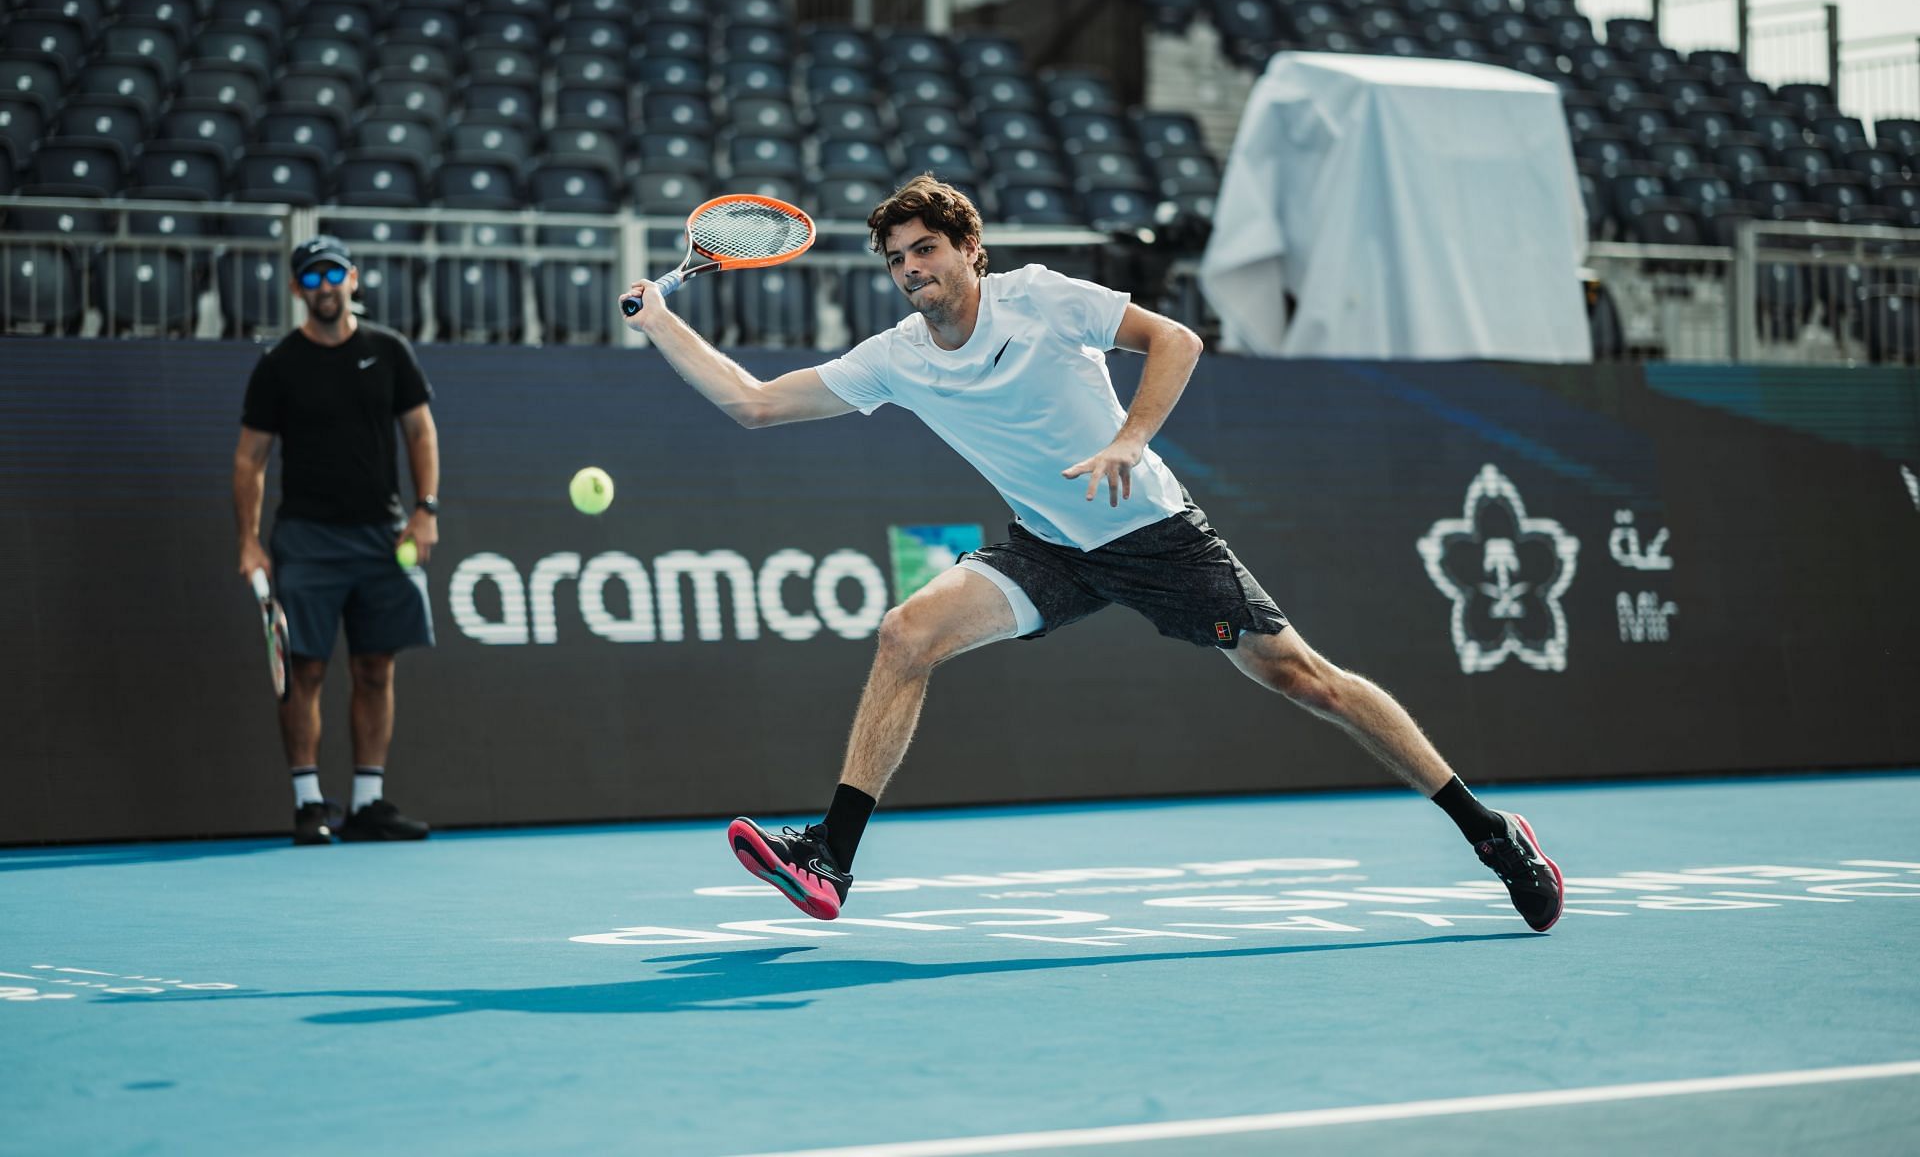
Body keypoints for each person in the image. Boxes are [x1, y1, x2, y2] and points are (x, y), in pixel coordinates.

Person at [620, 175, 1564, 931]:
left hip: (1150, 533)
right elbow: (755, 401)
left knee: (1304, 679)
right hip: (1048, 546)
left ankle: (1490, 833)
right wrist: (661, 320)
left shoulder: (1040, 300)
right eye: (898, 258)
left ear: (969, 251)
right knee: (907, 633)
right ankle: (831, 852)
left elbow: (1176, 339)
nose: (914, 270)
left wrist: (1130, 441)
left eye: (929, 250)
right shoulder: (898, 355)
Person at [233, 235, 439, 846]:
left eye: (333, 274)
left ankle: (369, 803)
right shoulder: (278, 365)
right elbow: (250, 460)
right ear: (298, 290)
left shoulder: (389, 351)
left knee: (376, 667)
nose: (324, 287)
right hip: (306, 539)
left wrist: (425, 510)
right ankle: (309, 804)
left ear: (353, 279)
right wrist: (248, 541)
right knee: (305, 670)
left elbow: (421, 433)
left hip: (382, 534)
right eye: (311, 278)